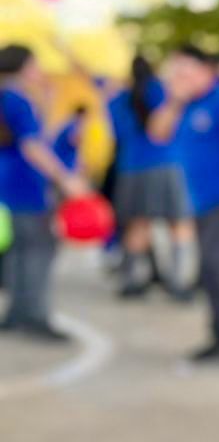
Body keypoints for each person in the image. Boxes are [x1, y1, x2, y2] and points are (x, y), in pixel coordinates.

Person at [150, 43, 219, 359]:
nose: (180, 78)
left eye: (186, 72)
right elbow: (157, 133)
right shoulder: (183, 106)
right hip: (201, 203)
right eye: (175, 73)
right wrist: (174, 99)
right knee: (213, 266)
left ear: (207, 71)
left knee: (214, 264)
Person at [0, 43, 88, 340]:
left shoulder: (9, 97)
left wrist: (47, 101)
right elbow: (32, 145)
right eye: (35, 65)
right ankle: (35, 316)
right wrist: (65, 179)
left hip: (6, 185)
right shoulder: (17, 99)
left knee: (18, 251)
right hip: (24, 187)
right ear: (23, 66)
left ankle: (16, 313)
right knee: (40, 249)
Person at [106, 56, 195, 299]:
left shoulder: (118, 98)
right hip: (164, 163)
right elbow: (161, 130)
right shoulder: (160, 91)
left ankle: (129, 279)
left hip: (130, 166)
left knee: (138, 223)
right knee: (178, 223)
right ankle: (177, 282)